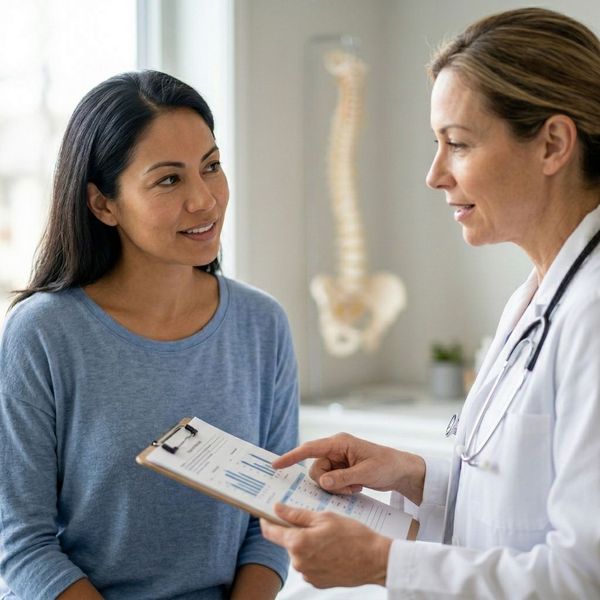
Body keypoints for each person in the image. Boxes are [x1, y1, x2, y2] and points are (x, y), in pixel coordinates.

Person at [260, 7, 600, 598]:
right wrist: (416, 476)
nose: (434, 174)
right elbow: (519, 500)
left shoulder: (593, 312)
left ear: (552, 144)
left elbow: (583, 576)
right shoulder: (539, 295)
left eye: (458, 145)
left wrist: (384, 564)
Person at [0, 70, 299, 600]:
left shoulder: (262, 324)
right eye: (169, 179)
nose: (204, 200)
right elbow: (22, 543)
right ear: (103, 204)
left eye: (211, 166)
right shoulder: (43, 334)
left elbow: (273, 516)